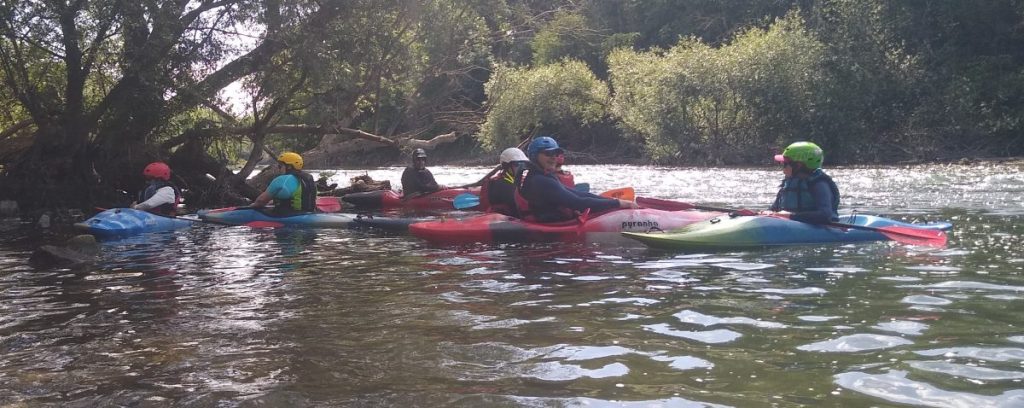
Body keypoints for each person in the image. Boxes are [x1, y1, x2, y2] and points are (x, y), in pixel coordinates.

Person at [514, 136, 635, 222]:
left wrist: (612, 201)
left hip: (551, 220)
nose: (553, 158)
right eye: (547, 154)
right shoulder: (541, 181)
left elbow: (577, 194)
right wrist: (618, 203)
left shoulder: (539, 175)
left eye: (555, 154)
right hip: (552, 226)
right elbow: (579, 203)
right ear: (535, 156)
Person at [766, 141, 840, 224]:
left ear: (798, 165)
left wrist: (790, 216)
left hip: (819, 228)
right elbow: (774, 209)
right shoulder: (787, 183)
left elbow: (825, 215)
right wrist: (763, 213)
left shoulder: (819, 184)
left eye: (785, 164)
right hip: (791, 225)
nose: (783, 168)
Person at [252, 152, 318, 215]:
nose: (279, 169)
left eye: (280, 166)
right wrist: (272, 202)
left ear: (289, 166)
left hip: (288, 216)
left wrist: (252, 206)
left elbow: (261, 201)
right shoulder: (308, 178)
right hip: (310, 213)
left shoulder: (282, 180)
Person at [479, 147, 527, 216]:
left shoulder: (513, 180)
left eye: (523, 164)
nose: (521, 168)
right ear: (506, 166)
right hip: (502, 221)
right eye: (517, 164)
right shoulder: (502, 185)